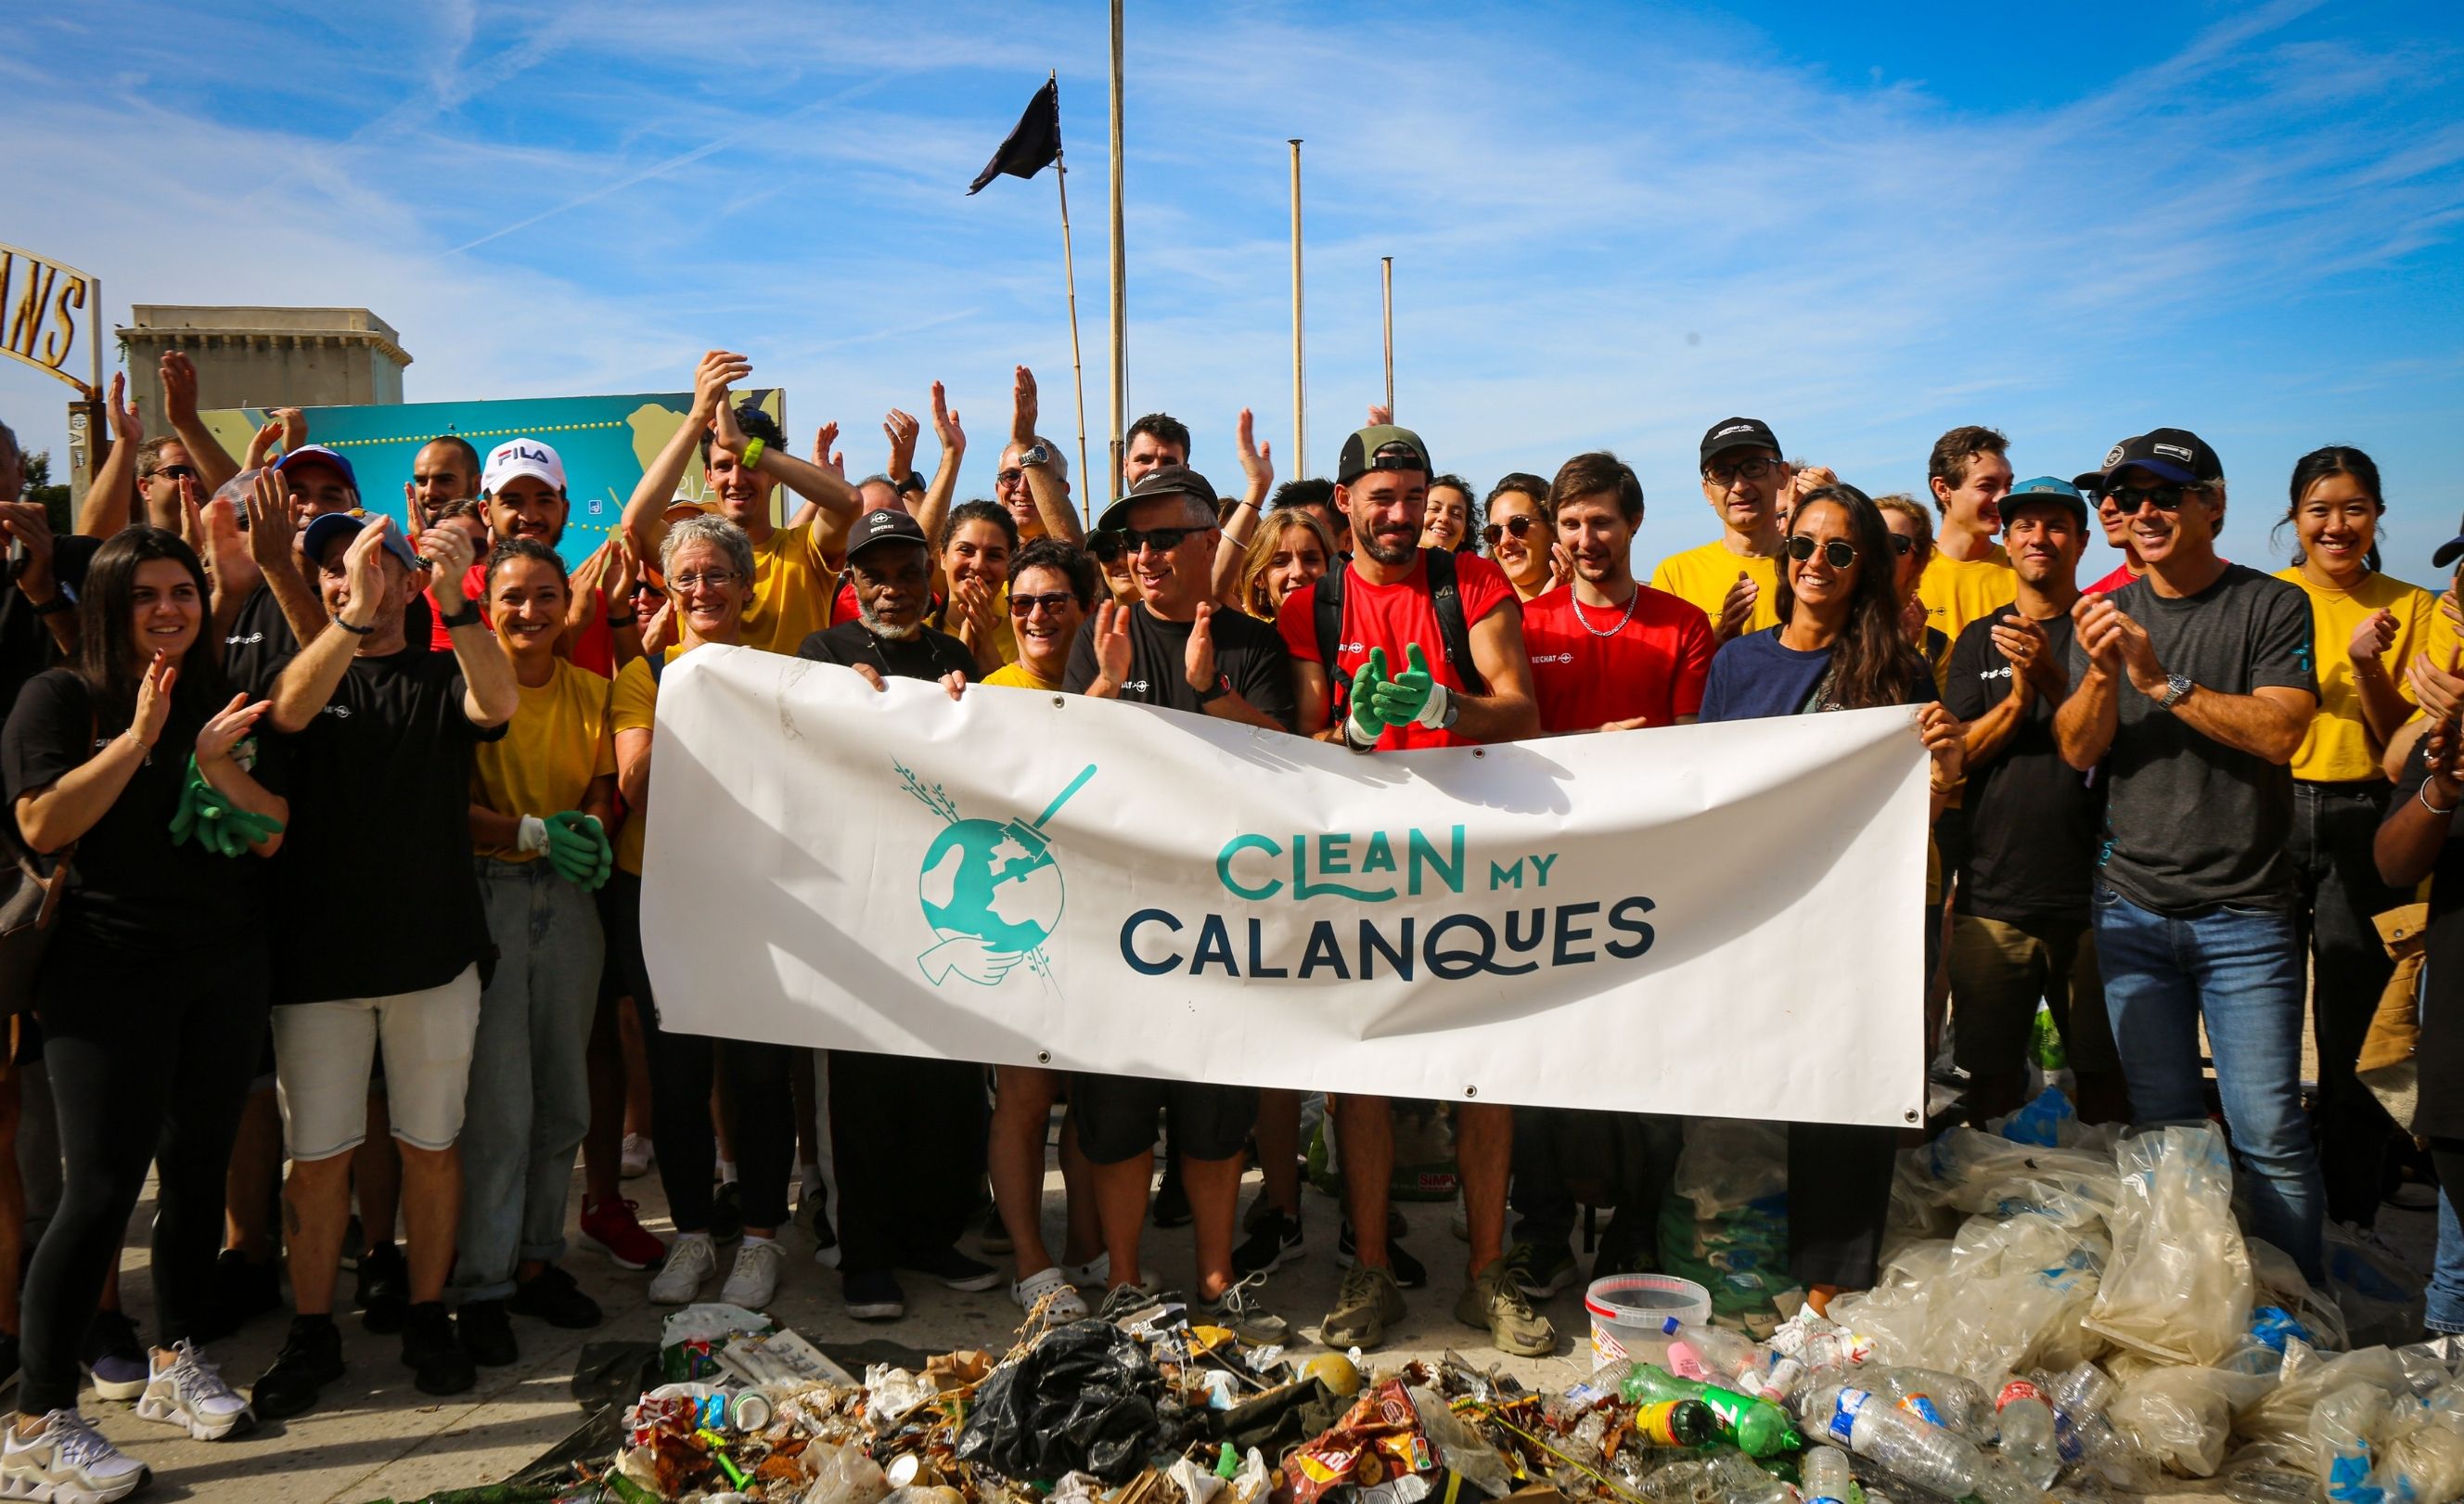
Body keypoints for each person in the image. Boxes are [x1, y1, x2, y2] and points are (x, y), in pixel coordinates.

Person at [1, 529, 285, 1498]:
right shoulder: (59, 696)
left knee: (199, 1171)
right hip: (103, 978)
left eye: (185, 591)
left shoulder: (215, 694)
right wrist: (138, 740)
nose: (170, 609)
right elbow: (41, 823)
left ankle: (176, 1358)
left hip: (221, 967)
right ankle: (38, 1423)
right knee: (101, 1192)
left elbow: (269, 834)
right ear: (107, 604)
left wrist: (212, 759)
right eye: (146, 594)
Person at [1279, 424, 1549, 1356]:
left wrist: (1443, 706)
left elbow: (1519, 708)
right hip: (1361, 869)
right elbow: (1301, 740)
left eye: (1414, 495)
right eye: (1381, 497)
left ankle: (1486, 1272)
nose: (1399, 516)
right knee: (1363, 1077)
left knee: (1485, 1071)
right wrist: (1349, 730)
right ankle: (1370, 1269)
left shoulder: (1467, 581)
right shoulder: (1311, 603)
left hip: (1465, 861)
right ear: (1344, 503)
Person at [245, 509, 517, 1414]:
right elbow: (286, 712)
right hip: (316, 973)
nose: (346, 578)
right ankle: (312, 1327)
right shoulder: (302, 677)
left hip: (433, 961)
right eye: (329, 569)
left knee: (429, 1149)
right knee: (317, 1160)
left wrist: (460, 607)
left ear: (410, 582)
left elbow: (498, 704)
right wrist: (350, 618)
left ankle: (427, 1312)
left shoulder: (442, 673)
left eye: (370, 566)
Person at [2052, 428, 2325, 1280]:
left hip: (2245, 914)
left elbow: (2282, 730)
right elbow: (2073, 750)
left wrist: (2157, 679)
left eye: (2164, 495)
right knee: (2165, 1130)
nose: (2143, 512)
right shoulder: (2102, 606)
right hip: (2132, 911)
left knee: (2269, 1132)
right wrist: (2100, 676)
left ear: (2215, 503)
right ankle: (2186, 1297)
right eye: (2127, 500)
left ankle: (2299, 1316)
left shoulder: (2270, 606)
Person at [1699, 483, 1967, 1299]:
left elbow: (1915, 800)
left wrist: (1948, 771)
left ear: (1867, 568)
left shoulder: (1897, 668)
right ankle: (1722, 1261)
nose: (1818, 562)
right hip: (1761, 908)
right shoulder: (1738, 663)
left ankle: (1828, 1288)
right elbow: (1706, 789)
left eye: (1840, 550)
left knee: (1845, 1097)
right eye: (1805, 545)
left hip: (1860, 919)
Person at [1055, 465, 1294, 1339]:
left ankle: (1215, 1275)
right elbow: (1065, 763)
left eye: (1161, 538)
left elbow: (1297, 767)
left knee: (1215, 1115)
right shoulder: (1101, 635)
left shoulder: (1253, 644)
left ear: (1207, 540)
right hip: (1117, 920)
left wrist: (1208, 692)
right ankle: (1123, 1277)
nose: (1143, 557)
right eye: (1129, 543)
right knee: (1116, 1113)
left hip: (1223, 924)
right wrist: (1108, 686)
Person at [1504, 452, 1711, 1296]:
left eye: (1603, 522)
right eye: (1573, 523)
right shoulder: (1525, 624)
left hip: (1652, 883)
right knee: (1537, 1063)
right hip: (1545, 883)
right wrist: (1592, 756)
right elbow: (1503, 751)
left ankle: (1638, 1224)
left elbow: (1701, 755)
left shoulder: (1683, 623)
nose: (1588, 538)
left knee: (1657, 1062)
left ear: (1633, 524)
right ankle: (1541, 1231)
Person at [799, 508, 1000, 1318]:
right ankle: (864, 1253)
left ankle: (929, 1236)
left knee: (945, 1085)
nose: (892, 587)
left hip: (941, 905)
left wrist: (965, 703)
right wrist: (835, 703)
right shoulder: (821, 655)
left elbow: (984, 762)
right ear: (851, 582)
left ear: (932, 579)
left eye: (908, 571)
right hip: (855, 905)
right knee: (863, 1088)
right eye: (874, 572)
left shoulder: (954, 656)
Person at [606, 519, 803, 1312]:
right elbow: (639, 786)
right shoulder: (642, 676)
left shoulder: (785, 676)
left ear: (747, 586)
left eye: (717, 574)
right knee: (678, 1076)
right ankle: (692, 1234)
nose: (701, 590)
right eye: (685, 576)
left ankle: (759, 1240)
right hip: (658, 894)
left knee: (760, 1074)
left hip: (755, 894)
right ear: (664, 588)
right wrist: (694, 693)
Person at [452, 538, 620, 1366]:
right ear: (488, 607)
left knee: (564, 1096)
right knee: (499, 1106)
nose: (529, 612)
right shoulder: (470, 692)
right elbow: (448, 805)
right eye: (513, 597)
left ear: (567, 604)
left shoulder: (593, 690)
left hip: (572, 897)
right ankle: (480, 1284)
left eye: (544, 596)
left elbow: (598, 780)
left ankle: (536, 1263)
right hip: (489, 895)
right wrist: (525, 831)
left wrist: (589, 822)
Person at [2273, 446, 2434, 1235]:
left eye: (2355, 508)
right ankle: (2272, 1207)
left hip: (2369, 815)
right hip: (2268, 815)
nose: (2337, 526)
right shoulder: (2263, 597)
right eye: (2319, 509)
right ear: (2294, 517)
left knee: (2351, 1027)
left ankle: (2352, 1217)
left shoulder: (2417, 607)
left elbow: (2404, 745)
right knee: (2264, 1021)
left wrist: (2370, 666)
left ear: (2377, 514)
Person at [1940, 478, 2124, 1125]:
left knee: (2106, 1081)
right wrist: (2018, 701)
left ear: (2080, 541)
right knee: (1988, 1083)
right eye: (2024, 526)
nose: (2038, 538)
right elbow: (1955, 754)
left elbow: (2111, 746)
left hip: (2101, 896)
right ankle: (1996, 1214)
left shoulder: (2105, 631)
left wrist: (2049, 674)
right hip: (1995, 895)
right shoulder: (1978, 639)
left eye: (2055, 526)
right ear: (2008, 541)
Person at [622, 353, 863, 655]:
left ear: (774, 474)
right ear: (708, 476)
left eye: (750, 463)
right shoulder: (690, 557)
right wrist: (699, 414)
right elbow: (636, 523)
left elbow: (850, 502)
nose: (736, 479)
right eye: (723, 467)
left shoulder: (805, 550)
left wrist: (742, 444)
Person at [2372, 679, 2464, 1338]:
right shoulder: (2442, 734)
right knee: (2457, 1252)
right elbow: (2393, 863)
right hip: (2458, 1006)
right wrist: (2443, 789)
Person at [1649, 418, 1795, 644]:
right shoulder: (1675, 575)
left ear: (1782, 475)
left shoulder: (1810, 566)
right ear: (1707, 490)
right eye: (1722, 473)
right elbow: (1663, 671)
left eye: (1754, 467)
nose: (1739, 486)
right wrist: (1720, 637)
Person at [1918, 426, 2017, 646]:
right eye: (1987, 486)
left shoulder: (2022, 573)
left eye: (2007, 485)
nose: (2003, 498)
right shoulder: (1909, 572)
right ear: (1943, 488)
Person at [990, 367, 1087, 546]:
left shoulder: (1094, 558)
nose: (1023, 487)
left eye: (1039, 477)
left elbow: (1072, 548)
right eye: (1011, 476)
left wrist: (1025, 445)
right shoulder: (981, 557)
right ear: (997, 489)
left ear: (1063, 492)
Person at [983, 536, 1095, 692]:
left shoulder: (1123, 687)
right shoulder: (988, 695)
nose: (1036, 616)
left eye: (1053, 602)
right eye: (1023, 603)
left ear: (1088, 610)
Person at [930, 500, 1020, 675]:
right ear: (943, 558)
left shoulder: (1026, 637)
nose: (978, 565)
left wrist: (986, 645)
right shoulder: (917, 636)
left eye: (994, 555)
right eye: (965, 550)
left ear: (1010, 565)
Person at [1232, 508, 1337, 622]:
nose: (1298, 572)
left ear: (1329, 567)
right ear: (1259, 577)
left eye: (1311, 559)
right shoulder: (1250, 637)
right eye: (1279, 562)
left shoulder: (1353, 632)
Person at [1482, 475, 1561, 602]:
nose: (1505, 541)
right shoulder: (1477, 609)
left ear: (1553, 529)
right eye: (1495, 532)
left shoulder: (1590, 600)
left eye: (1518, 526)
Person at [407, 434, 483, 533]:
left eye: (444, 480)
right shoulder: (401, 547)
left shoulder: (499, 545)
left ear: (476, 485)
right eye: (422, 481)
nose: (430, 492)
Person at [1421, 474, 1479, 553]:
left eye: (1456, 514)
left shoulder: (1480, 565)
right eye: (1434, 509)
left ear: (1464, 532)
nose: (1444, 518)